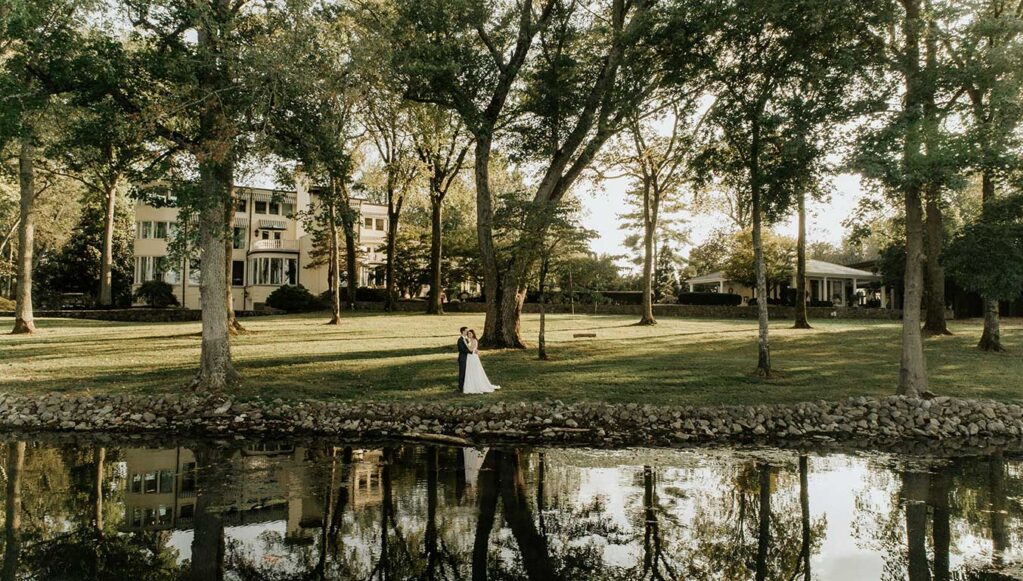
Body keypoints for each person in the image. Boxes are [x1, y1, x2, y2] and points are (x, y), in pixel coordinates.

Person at [462, 329, 500, 394]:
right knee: (469, 370)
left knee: (474, 370)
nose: (469, 335)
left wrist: (466, 344)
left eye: (470, 333)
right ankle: (470, 385)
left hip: (473, 357)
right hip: (469, 357)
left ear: (473, 334)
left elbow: (471, 349)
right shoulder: (469, 340)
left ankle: (477, 385)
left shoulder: (474, 340)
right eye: (468, 334)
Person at [457, 327, 471, 392]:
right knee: (462, 372)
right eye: (466, 331)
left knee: (467, 372)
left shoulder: (467, 339)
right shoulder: (460, 340)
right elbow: (462, 350)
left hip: (468, 358)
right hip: (463, 358)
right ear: (463, 331)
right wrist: (471, 352)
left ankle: (466, 385)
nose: (468, 332)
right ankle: (461, 387)